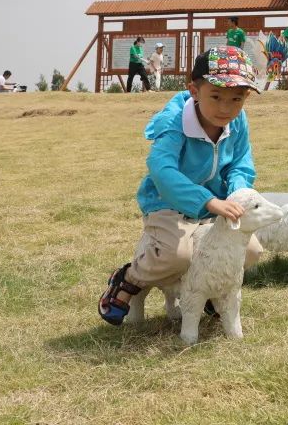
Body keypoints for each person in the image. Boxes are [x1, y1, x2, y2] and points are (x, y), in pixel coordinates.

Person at [99, 46, 266, 325]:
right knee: (177, 256)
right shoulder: (174, 121)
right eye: (216, 96)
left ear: (246, 97)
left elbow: (241, 163)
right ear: (194, 91)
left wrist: (236, 194)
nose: (225, 108)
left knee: (250, 251)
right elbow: (162, 169)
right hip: (167, 203)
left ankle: (207, 288)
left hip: (217, 203)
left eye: (236, 99)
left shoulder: (238, 121)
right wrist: (206, 200)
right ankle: (129, 278)